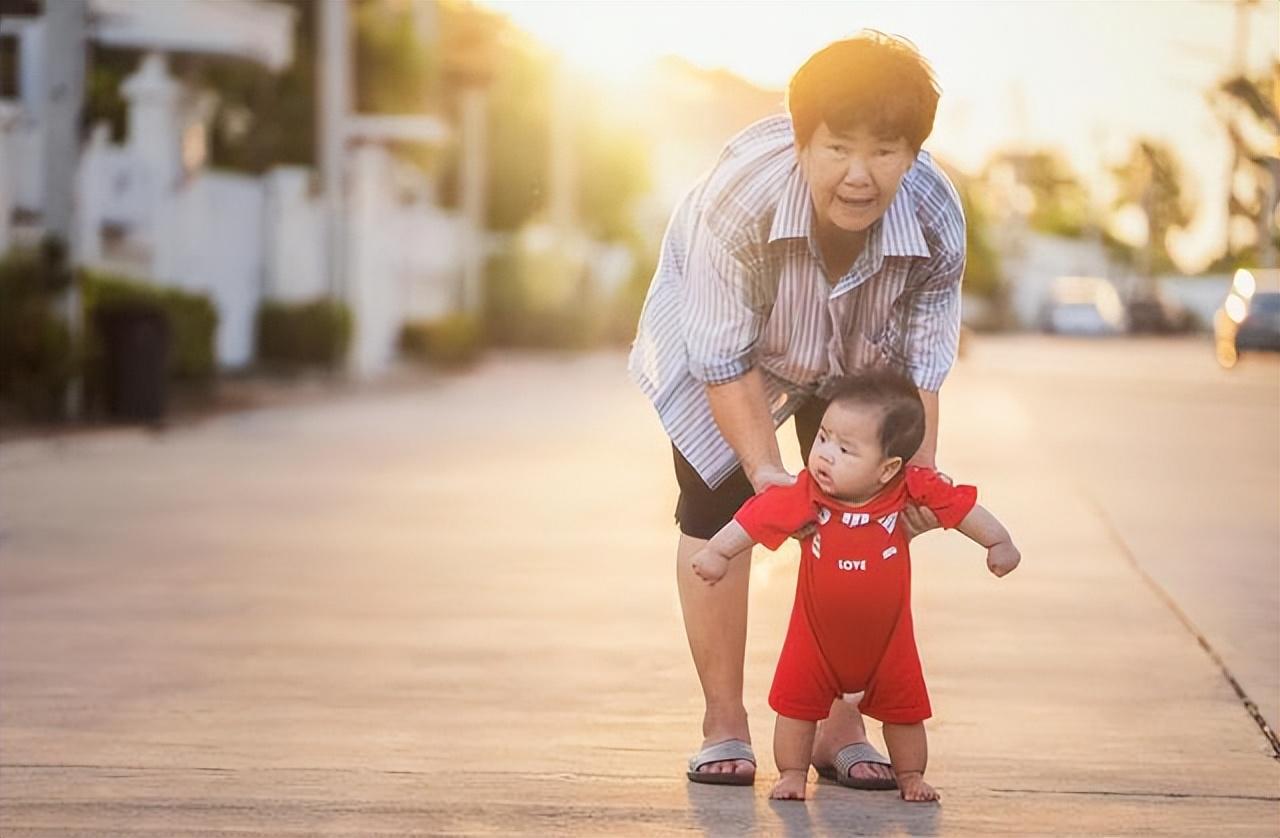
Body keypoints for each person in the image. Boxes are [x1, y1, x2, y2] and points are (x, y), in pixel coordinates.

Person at [628, 31, 968, 787]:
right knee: (716, 504)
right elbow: (722, 356)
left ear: (913, 152)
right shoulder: (738, 200)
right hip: (738, 340)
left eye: (885, 151)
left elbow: (922, 357)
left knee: (865, 507)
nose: (859, 175)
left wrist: (915, 471)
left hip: (858, 351)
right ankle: (723, 720)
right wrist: (766, 472)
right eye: (837, 148)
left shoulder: (938, 216)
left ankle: (837, 722)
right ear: (800, 139)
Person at [690, 371, 1021, 801]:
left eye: (845, 449)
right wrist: (719, 551)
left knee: (905, 712)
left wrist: (998, 541)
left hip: (888, 643)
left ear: (888, 468)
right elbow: (757, 517)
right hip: (815, 640)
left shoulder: (910, 489)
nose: (824, 455)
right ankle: (792, 772)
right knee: (795, 706)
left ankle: (911, 777)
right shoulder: (807, 493)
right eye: (823, 438)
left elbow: (960, 507)